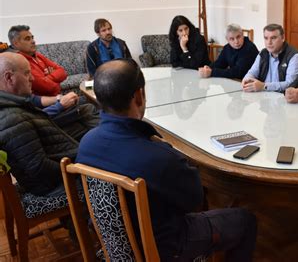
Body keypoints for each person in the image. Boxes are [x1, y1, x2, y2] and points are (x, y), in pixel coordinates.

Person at [77, 59, 257, 262]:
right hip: (167, 249)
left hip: (116, 249)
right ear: (139, 95)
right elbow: (195, 200)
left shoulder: (86, 144)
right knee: (246, 220)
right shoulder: (158, 158)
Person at [0, 52, 78, 196]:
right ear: (9, 78)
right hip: (56, 186)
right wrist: (80, 168)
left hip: (61, 169)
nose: (32, 78)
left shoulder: (15, 105)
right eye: (27, 73)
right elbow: (39, 169)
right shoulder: (11, 118)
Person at [241, 24, 298, 92]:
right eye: (266, 38)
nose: (269, 42)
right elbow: (252, 72)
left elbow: (290, 84)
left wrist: (264, 86)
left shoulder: (295, 57)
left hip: (283, 98)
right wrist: (247, 80)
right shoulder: (263, 53)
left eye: (273, 38)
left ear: (283, 38)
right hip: (263, 97)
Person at [8, 25, 67, 96]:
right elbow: (48, 87)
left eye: (32, 38)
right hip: (43, 104)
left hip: (57, 99)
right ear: (16, 43)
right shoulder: (19, 61)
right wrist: (54, 79)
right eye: (27, 39)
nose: (33, 41)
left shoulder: (37, 55)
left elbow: (63, 72)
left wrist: (47, 78)